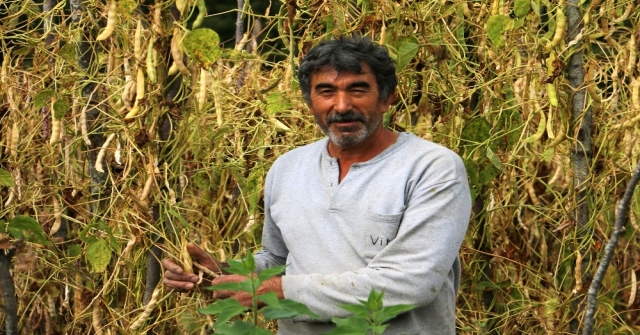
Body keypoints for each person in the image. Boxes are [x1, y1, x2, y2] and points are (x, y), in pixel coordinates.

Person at [163, 35, 472, 335]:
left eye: (358, 89)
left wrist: (279, 291)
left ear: (387, 98)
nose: (341, 105)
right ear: (309, 102)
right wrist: (223, 273)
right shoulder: (287, 167)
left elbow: (411, 283)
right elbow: (280, 260)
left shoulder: (431, 167)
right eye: (326, 91)